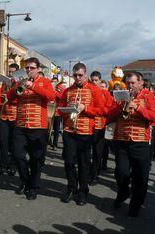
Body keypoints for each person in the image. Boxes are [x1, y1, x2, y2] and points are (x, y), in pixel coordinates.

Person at [107, 72, 155, 217]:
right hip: (122, 140)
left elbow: (153, 117)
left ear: (140, 83)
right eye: (128, 83)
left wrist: (138, 108)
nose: (130, 86)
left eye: (133, 83)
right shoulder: (120, 96)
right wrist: (121, 106)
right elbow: (109, 116)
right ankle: (123, 193)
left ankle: (136, 205)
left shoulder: (148, 96)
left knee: (140, 177)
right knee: (121, 173)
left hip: (140, 142)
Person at [7, 57, 55, 200]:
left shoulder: (45, 82)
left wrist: (33, 86)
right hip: (21, 124)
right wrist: (15, 86)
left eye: (32, 68)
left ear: (38, 69)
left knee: (36, 158)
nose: (29, 70)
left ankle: (32, 186)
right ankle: (26, 180)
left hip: (37, 126)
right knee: (17, 154)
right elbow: (10, 98)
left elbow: (51, 96)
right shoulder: (20, 81)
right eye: (27, 68)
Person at [58, 63, 104, 205]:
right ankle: (72, 188)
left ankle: (83, 191)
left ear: (85, 74)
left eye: (80, 75)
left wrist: (85, 108)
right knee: (69, 161)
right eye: (75, 75)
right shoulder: (68, 91)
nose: (77, 78)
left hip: (86, 132)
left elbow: (101, 110)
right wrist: (67, 110)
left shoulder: (94, 90)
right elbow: (60, 109)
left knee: (84, 163)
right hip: (69, 130)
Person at [89, 71, 113, 184]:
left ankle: (95, 174)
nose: (94, 82)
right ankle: (87, 172)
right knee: (85, 152)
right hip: (87, 126)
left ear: (100, 80)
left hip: (100, 127)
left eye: (96, 80)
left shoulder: (106, 94)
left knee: (97, 153)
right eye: (92, 80)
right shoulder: (87, 91)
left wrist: (98, 111)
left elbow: (109, 109)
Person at [0, 63, 19, 176]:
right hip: (3, 115)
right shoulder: (5, 83)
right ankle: (3, 166)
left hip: (15, 116)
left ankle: (13, 166)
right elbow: (1, 96)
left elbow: (20, 99)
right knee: (3, 142)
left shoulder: (20, 84)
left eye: (13, 72)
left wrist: (10, 98)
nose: (10, 74)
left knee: (14, 143)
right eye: (9, 72)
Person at [50, 76, 66, 150]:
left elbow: (62, 98)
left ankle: (55, 144)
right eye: (53, 81)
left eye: (55, 81)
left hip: (57, 111)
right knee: (49, 127)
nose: (54, 82)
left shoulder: (61, 87)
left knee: (56, 128)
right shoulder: (49, 86)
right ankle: (49, 141)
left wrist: (55, 92)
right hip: (50, 109)